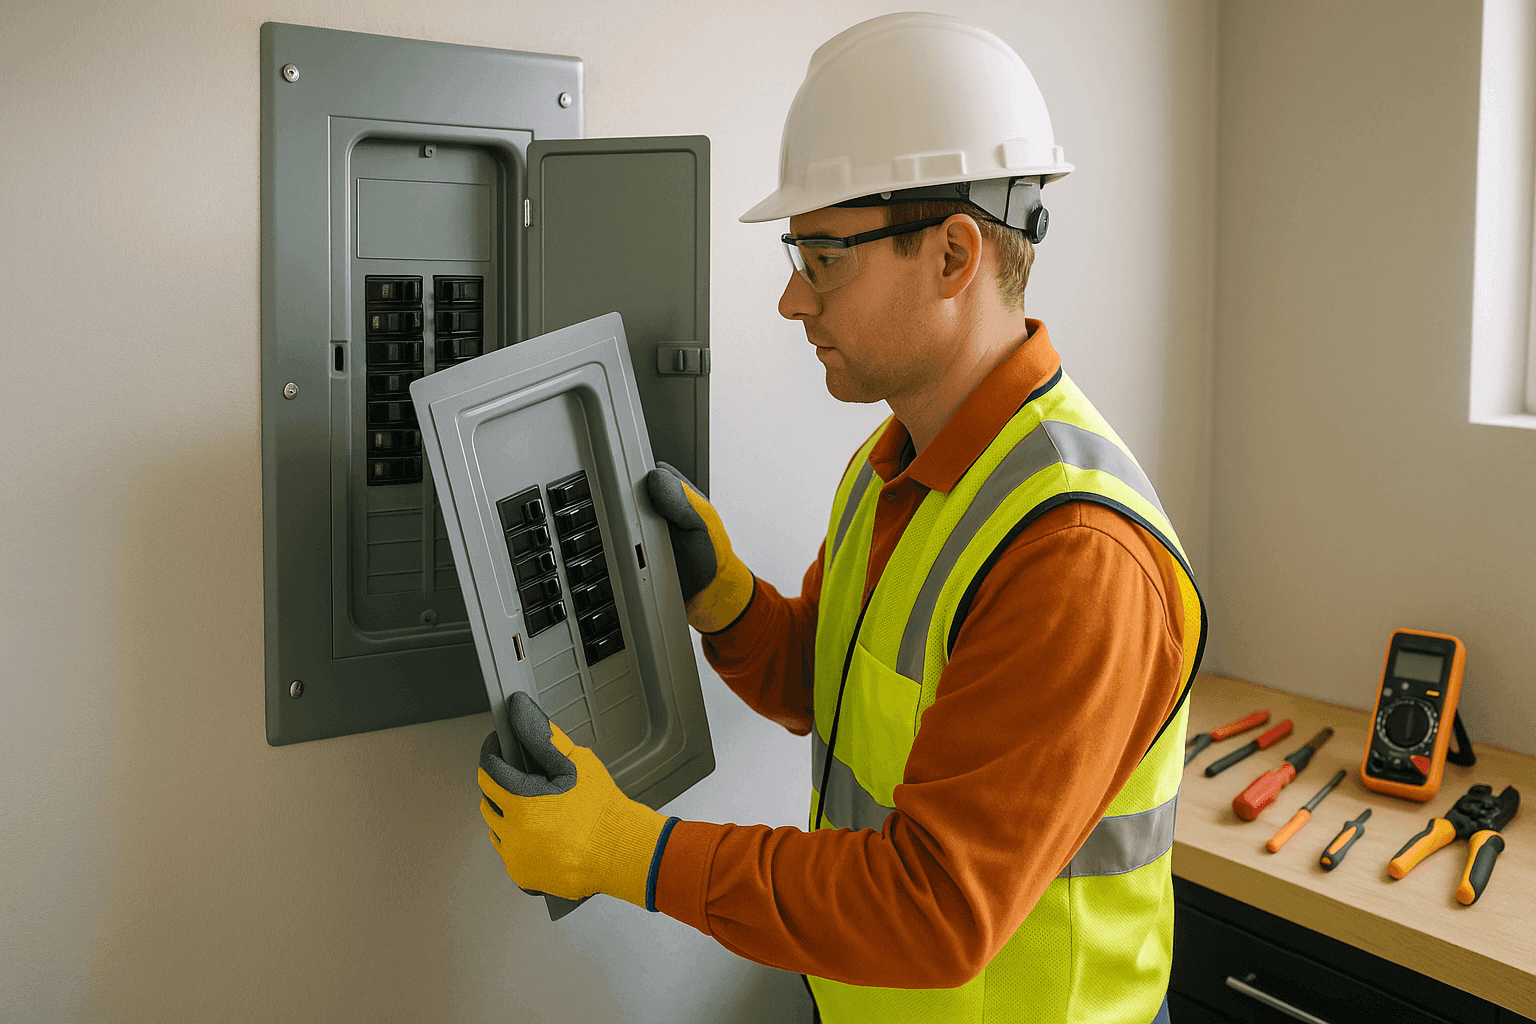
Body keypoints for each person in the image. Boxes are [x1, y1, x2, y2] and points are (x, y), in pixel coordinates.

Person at [477, 13, 1204, 1023]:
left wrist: (627, 851)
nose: (791, 300)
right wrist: (730, 604)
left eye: (823, 257)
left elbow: (933, 907)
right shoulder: (891, 463)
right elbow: (832, 687)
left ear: (953, 256)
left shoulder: (1075, 556)